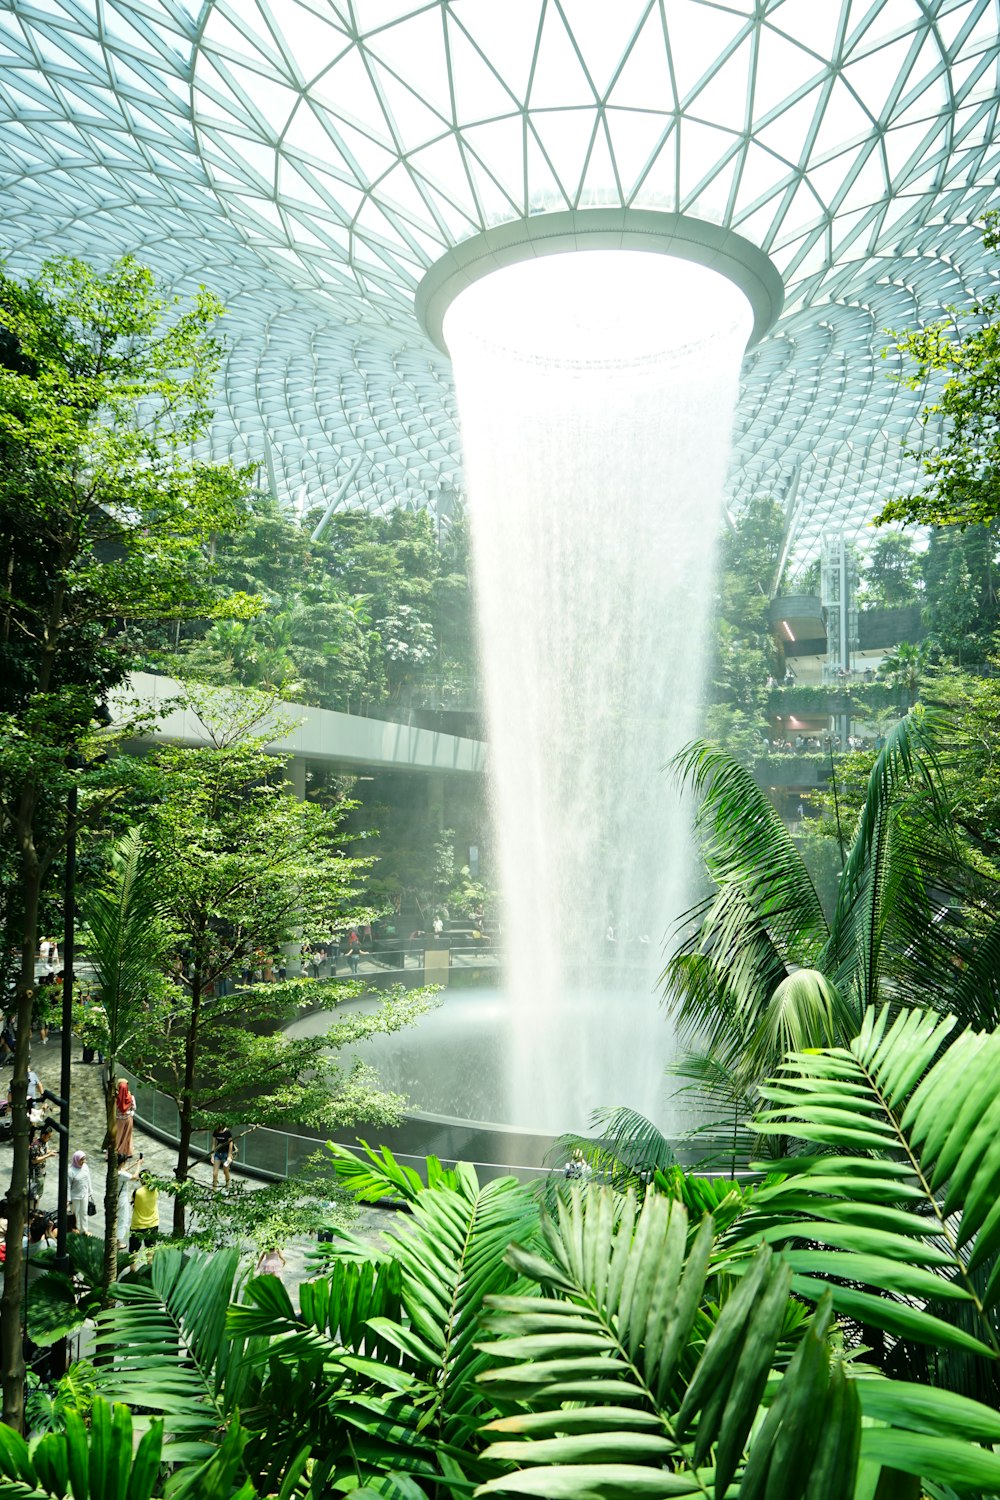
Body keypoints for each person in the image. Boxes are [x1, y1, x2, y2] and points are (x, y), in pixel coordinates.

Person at [129, 1170, 159, 1255]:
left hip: (138, 1224)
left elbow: (133, 1203)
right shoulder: (156, 1190)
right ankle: (149, 1267)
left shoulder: (137, 1192)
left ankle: (133, 1268)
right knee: (150, 1249)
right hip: (153, 1223)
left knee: (134, 1251)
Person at [28, 1124, 56, 1210]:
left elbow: (44, 1151)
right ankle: (31, 1211)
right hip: (35, 1175)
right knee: (34, 1195)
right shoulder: (36, 1145)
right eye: (49, 1136)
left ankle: (35, 1209)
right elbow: (34, 1160)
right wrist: (48, 1156)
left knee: (39, 1195)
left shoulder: (44, 1143)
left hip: (42, 1173)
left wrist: (50, 1152)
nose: (49, 1138)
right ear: (43, 1135)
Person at [117, 1157, 141, 1249]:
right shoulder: (122, 1175)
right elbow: (134, 1177)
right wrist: (139, 1165)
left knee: (118, 1219)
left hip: (115, 1198)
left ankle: (115, 1239)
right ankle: (118, 1241)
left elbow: (124, 1170)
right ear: (122, 1162)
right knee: (122, 1219)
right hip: (121, 1199)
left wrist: (134, 1164)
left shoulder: (115, 1171)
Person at [67, 1149, 93, 1233]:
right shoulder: (71, 1171)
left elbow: (88, 1179)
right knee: (75, 1215)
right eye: (81, 1159)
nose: (83, 1161)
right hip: (75, 1197)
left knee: (84, 1213)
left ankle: (84, 1230)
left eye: (84, 1159)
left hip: (84, 1194)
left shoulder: (85, 1167)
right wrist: (68, 1199)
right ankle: (73, 1230)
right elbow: (68, 1186)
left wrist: (90, 1191)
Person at [115, 1078, 135, 1160]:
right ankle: (127, 1152)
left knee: (117, 1136)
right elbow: (134, 1108)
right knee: (127, 1135)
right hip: (128, 1119)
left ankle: (115, 1151)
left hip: (118, 1120)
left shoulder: (116, 1098)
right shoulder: (131, 1097)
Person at [211, 1121, 235, 1190]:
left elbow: (231, 1143)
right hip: (218, 1153)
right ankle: (214, 1188)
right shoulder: (216, 1132)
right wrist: (212, 1155)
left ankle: (227, 1185)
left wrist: (229, 1155)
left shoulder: (227, 1132)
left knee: (226, 1171)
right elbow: (214, 1144)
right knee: (215, 1173)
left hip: (225, 1154)